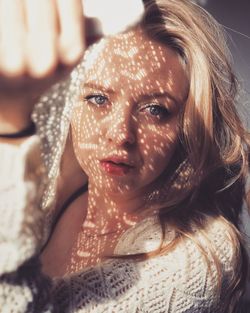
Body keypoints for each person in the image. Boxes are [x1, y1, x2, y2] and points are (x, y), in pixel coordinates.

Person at [0, 0, 249, 312]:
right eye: (98, 98)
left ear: (186, 126)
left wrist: (10, 119)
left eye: (155, 110)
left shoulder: (201, 256)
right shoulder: (53, 183)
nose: (120, 134)